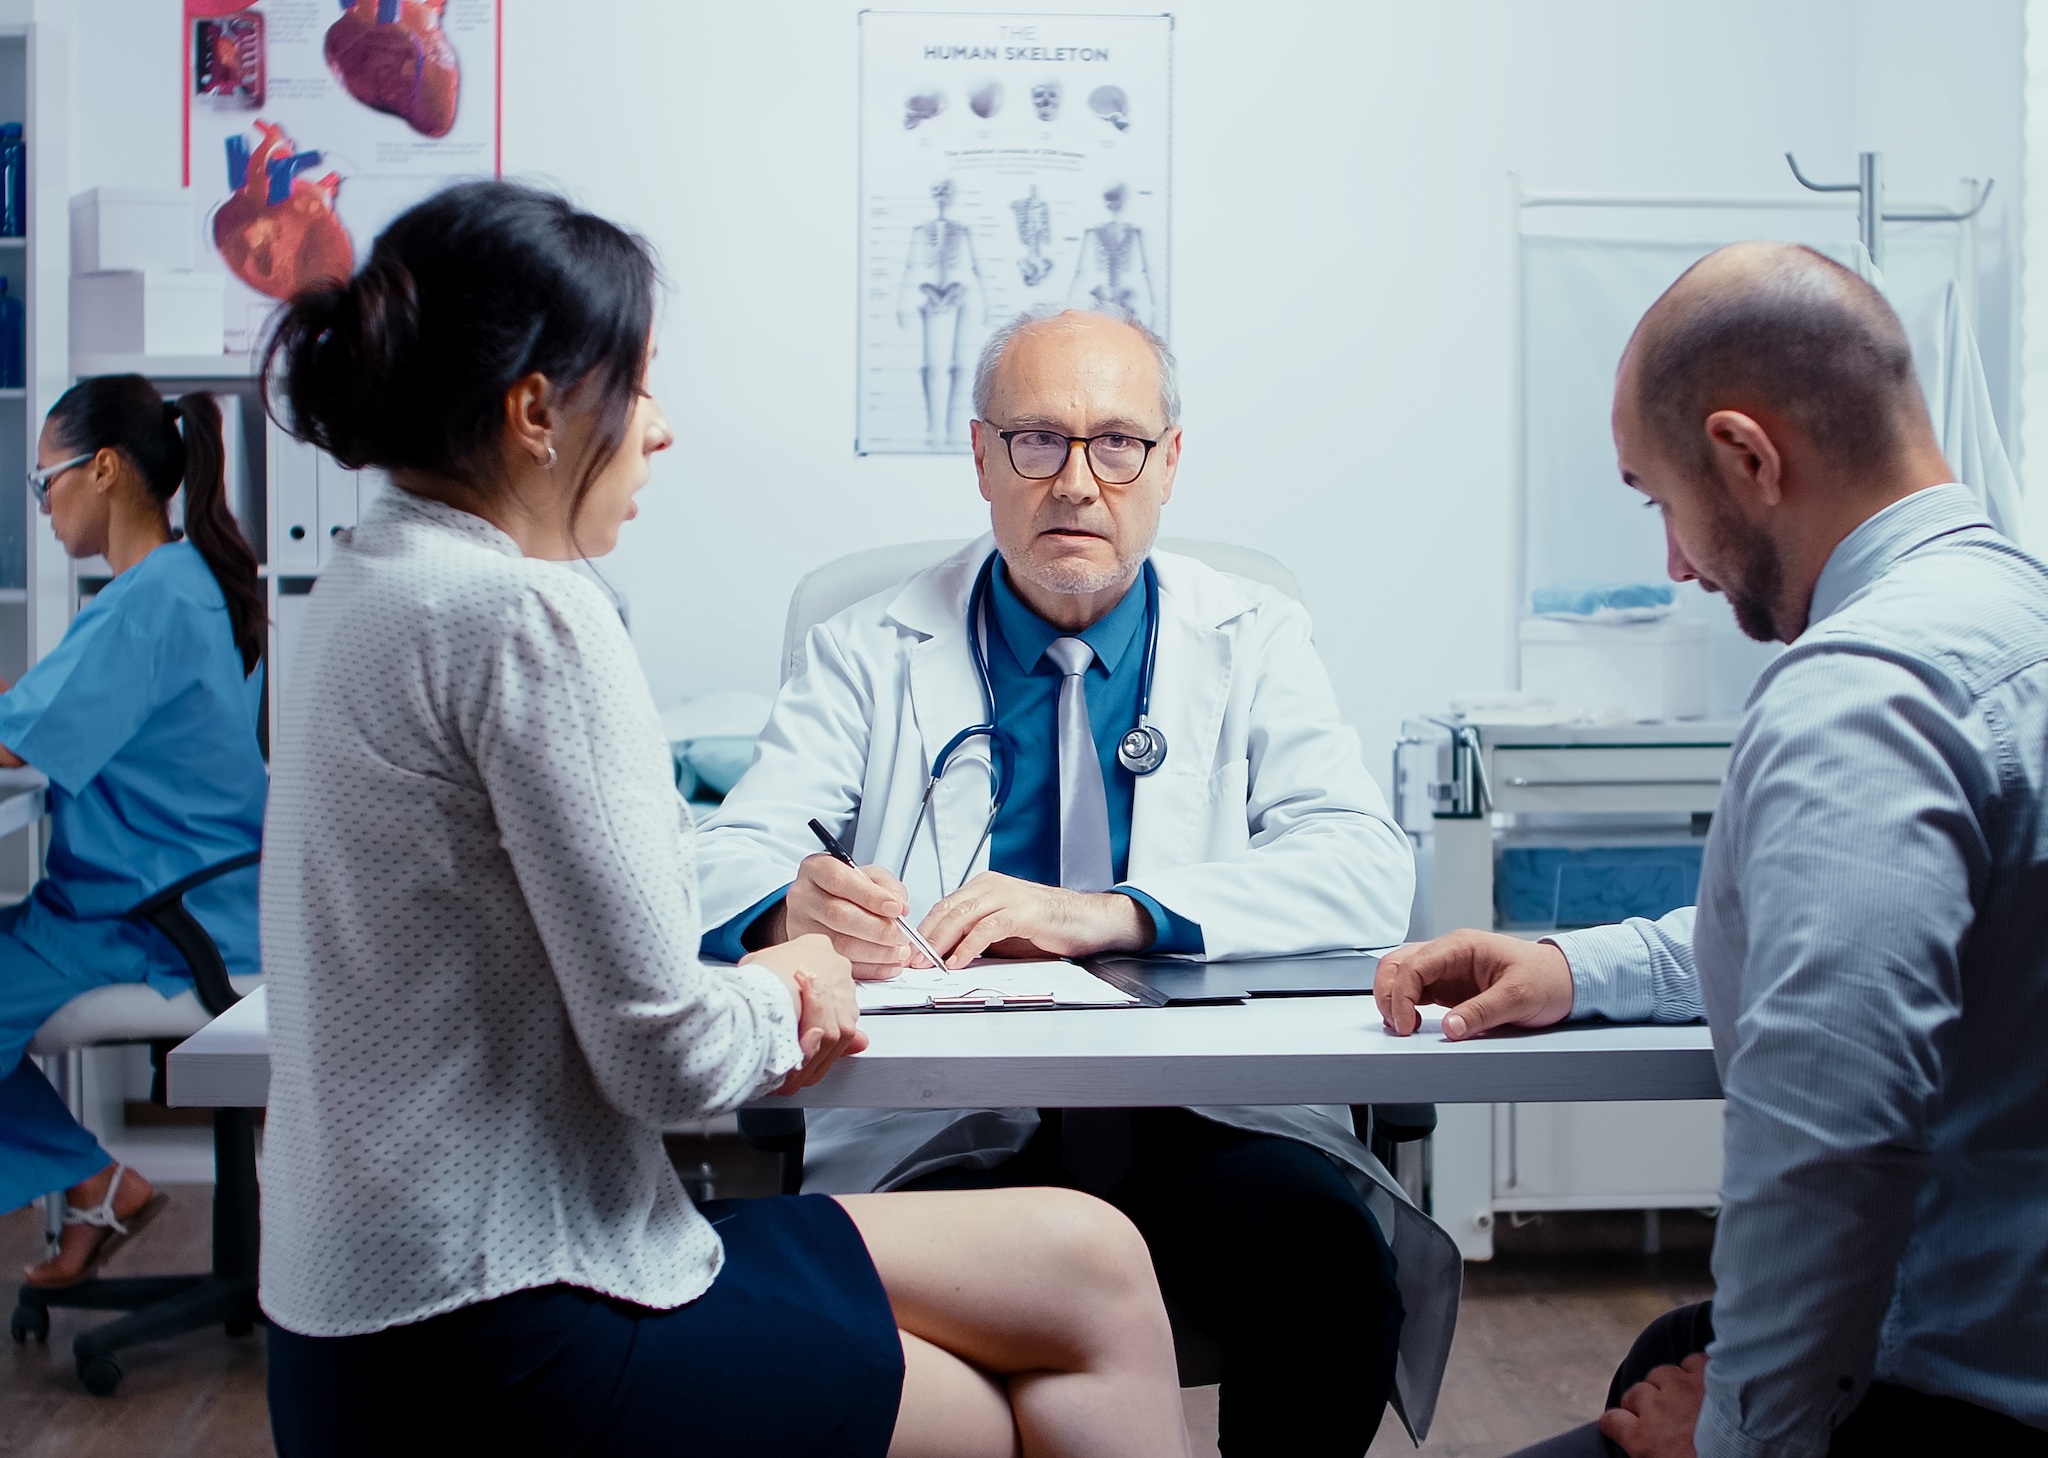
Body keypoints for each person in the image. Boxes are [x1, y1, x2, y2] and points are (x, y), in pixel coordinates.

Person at [256, 180, 1189, 1458]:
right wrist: (796, 974)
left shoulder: (366, 585)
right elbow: (666, 1061)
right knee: (992, 1399)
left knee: (1087, 1259)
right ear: (537, 410)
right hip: (512, 1312)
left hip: (344, 1321)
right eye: (636, 388)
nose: (661, 430)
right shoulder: (531, 616)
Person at [695, 304, 1460, 1455]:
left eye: (1117, 443)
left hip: (1208, 1116)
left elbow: (1359, 862)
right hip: (949, 1123)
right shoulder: (864, 650)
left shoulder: (1253, 636)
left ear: (1169, 463)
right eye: (1036, 440)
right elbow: (725, 856)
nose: (1075, 482)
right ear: (980, 458)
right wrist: (788, 907)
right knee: (915, 1351)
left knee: (1329, 1274)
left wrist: (1111, 915)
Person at [1377, 243, 2048, 1456]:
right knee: (1659, 1345)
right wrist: (1578, 969)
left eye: (1658, 501)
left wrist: (1736, 1441)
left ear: (1746, 456)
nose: (1674, 563)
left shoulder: (1859, 696)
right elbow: (1875, 933)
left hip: (1965, 1390)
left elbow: (1830, 1152)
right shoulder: (2015, 615)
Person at [0, 375, 266, 1289]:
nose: (41, 506)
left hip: (150, 925)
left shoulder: (145, 601)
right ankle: (92, 1183)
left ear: (103, 470)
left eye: (46, 483)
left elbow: (14, 740)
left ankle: (91, 1177)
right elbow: (46, 714)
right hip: (190, 903)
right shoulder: (191, 582)